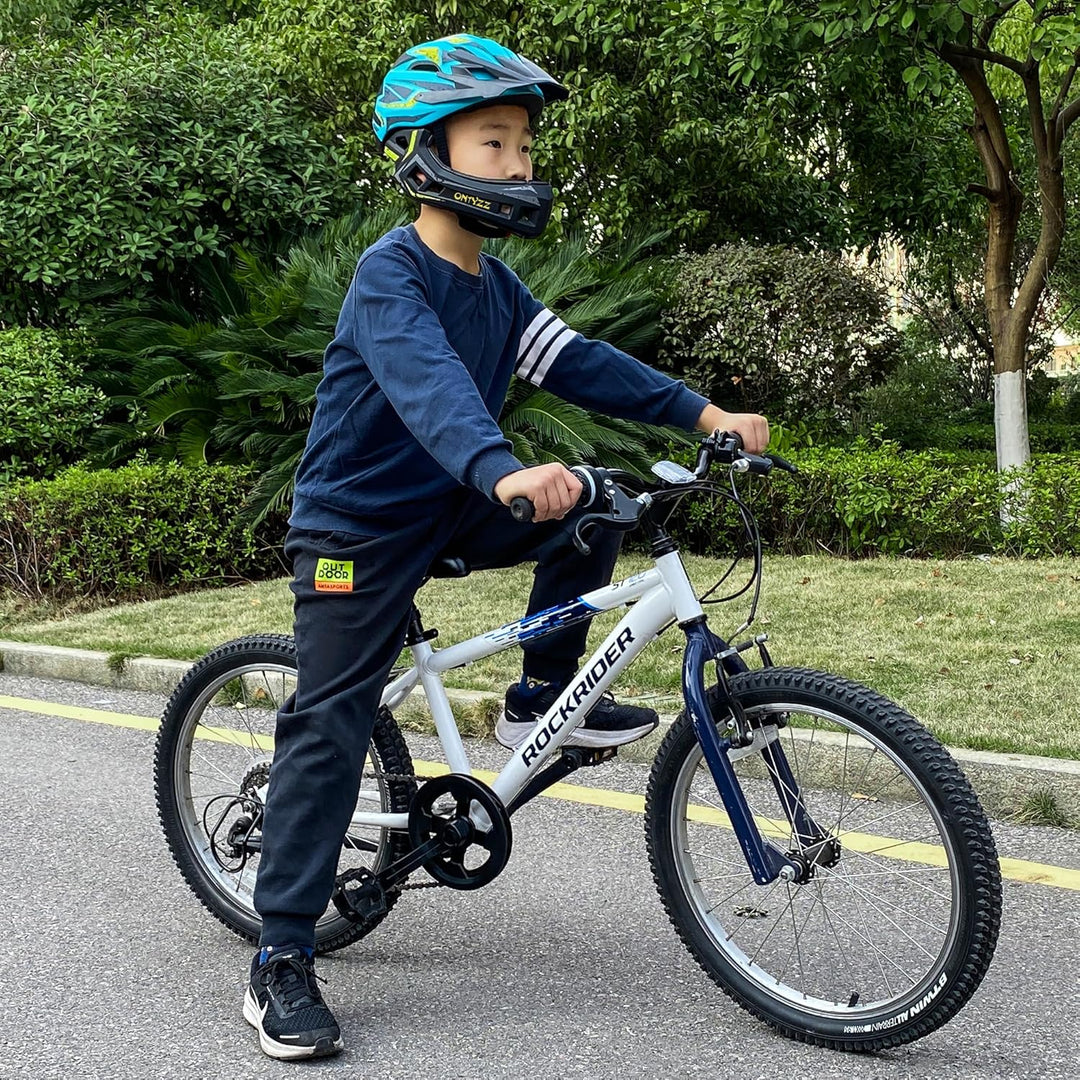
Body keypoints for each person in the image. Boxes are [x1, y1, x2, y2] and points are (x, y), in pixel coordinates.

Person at [243, 33, 770, 1061]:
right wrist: (500, 469)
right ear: (428, 153)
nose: (520, 163)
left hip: (449, 504)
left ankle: (540, 699)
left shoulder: (498, 286)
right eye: (496, 142)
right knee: (332, 717)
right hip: (356, 526)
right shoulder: (390, 275)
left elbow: (581, 362)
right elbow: (430, 387)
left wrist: (702, 411)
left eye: (524, 145)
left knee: (598, 507)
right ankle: (280, 956)